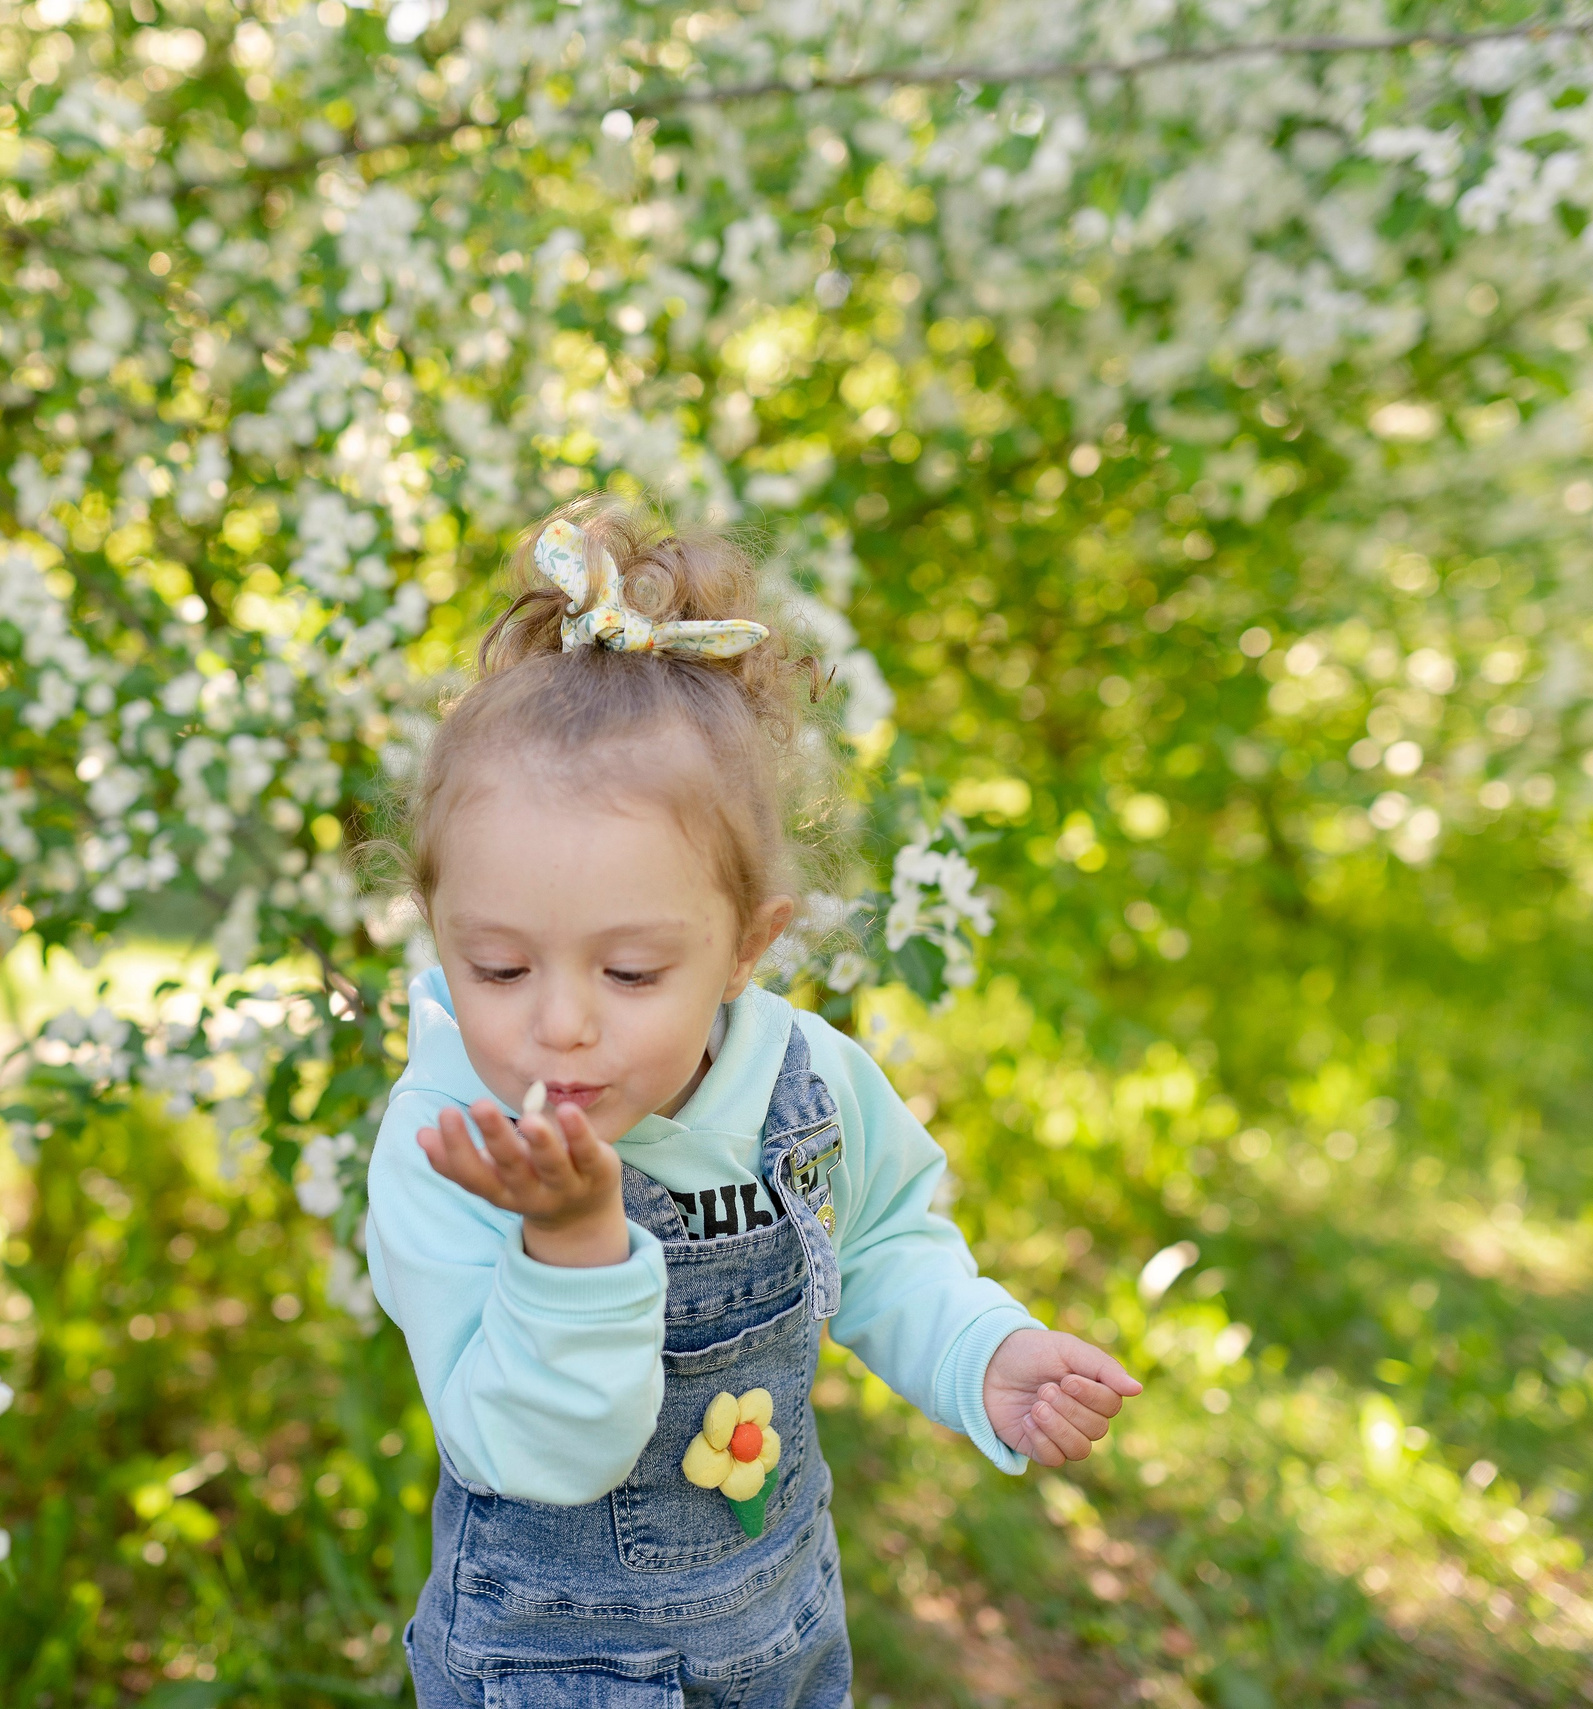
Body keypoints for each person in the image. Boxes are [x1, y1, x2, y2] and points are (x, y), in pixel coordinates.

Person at [367, 498, 1143, 1708]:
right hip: (558, 1666)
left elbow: (877, 1239)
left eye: (630, 972)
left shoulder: (808, 1083)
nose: (559, 1020)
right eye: (499, 966)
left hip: (779, 1627)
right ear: (440, 933)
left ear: (745, 947)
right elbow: (528, 1454)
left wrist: (974, 1347)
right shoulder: (452, 1146)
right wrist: (572, 1247)